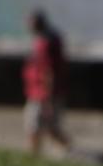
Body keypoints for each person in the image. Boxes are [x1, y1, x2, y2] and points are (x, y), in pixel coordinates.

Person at [22, 9, 70, 155]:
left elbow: (48, 71)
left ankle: (36, 156)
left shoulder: (46, 42)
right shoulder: (48, 38)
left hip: (43, 94)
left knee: (35, 127)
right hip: (43, 92)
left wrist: (47, 98)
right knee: (48, 128)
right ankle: (68, 149)